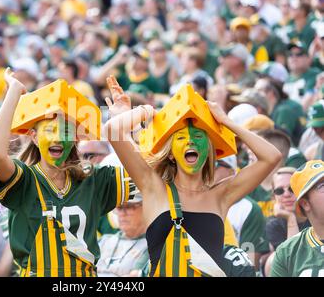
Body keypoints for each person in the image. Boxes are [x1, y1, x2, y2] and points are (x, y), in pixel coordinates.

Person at [104, 76, 282, 277]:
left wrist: (225, 121)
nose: (190, 142)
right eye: (181, 138)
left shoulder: (221, 195)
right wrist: (148, 111)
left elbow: (272, 156)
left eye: (198, 137)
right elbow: (113, 129)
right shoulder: (154, 187)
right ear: (170, 152)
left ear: (208, 149)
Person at [0, 69, 135, 277]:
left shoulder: (94, 179)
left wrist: (122, 127)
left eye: (65, 131)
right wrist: (14, 92)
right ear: (34, 138)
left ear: (75, 139)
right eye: (49, 130)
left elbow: (144, 178)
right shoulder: (24, 180)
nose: (57, 138)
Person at [270, 160, 324, 277]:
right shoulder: (287, 252)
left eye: (290, 190)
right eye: (322, 186)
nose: (286, 194)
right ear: (305, 204)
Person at [263, 166, 310, 276]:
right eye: (279, 191)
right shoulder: (273, 224)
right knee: (273, 259)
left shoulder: (317, 215)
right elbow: (293, 260)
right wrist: (290, 218)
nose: (286, 194)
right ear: (274, 196)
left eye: (292, 189)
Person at [97, 193, 149, 277]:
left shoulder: (152, 246)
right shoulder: (103, 240)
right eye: (119, 208)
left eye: (129, 207)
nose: (122, 213)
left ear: (146, 208)